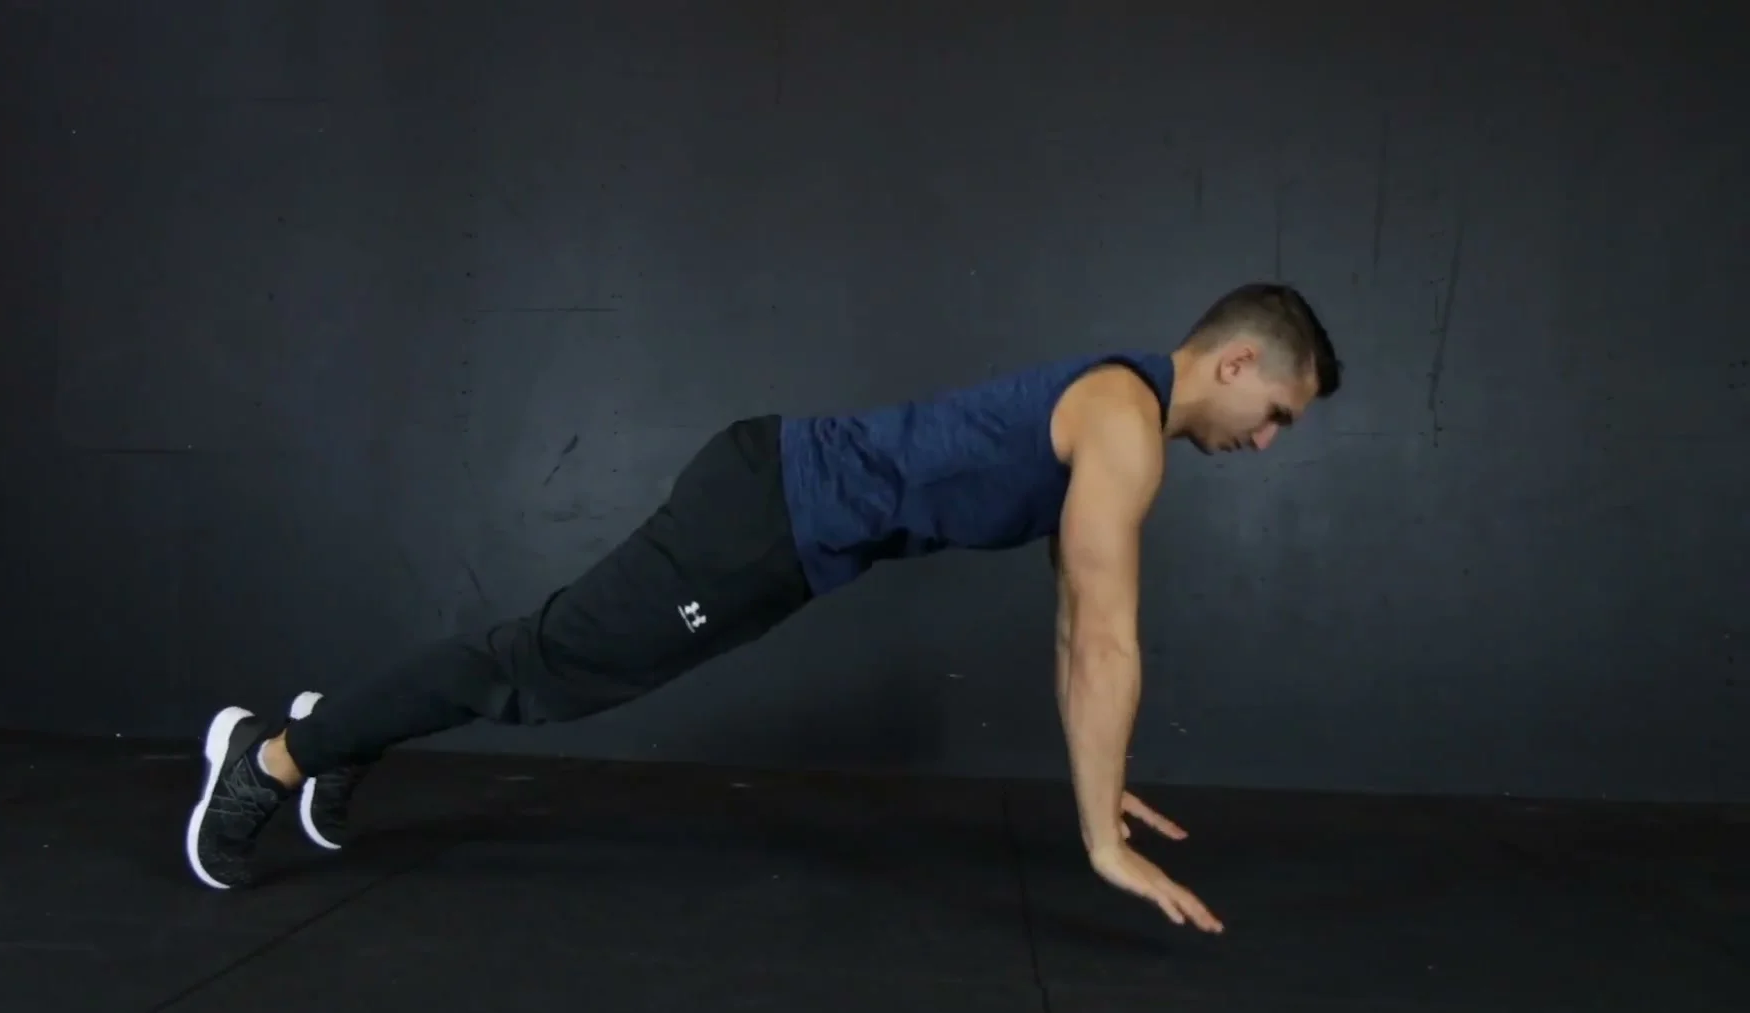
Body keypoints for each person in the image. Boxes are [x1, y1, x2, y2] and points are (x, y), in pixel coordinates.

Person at [182, 282, 1340, 933]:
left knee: (538, 666)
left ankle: (339, 726)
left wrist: (1103, 773)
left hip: (781, 534)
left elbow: (1076, 620)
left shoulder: (1118, 412)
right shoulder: (1125, 423)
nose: (1267, 444)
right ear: (1236, 363)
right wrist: (1099, 842)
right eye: (1279, 416)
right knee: (536, 671)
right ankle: (271, 756)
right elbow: (1103, 634)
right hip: (761, 517)